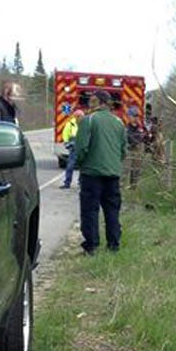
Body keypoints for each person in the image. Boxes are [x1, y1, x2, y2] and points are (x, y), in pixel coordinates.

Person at [74, 89, 127, 255]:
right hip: (113, 174)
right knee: (112, 210)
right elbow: (123, 150)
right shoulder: (119, 123)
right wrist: (113, 164)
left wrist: (81, 164)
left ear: (100, 103)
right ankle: (114, 245)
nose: (90, 103)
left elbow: (81, 148)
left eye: (92, 100)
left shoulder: (88, 120)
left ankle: (92, 246)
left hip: (92, 173)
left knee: (90, 210)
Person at [59, 109, 85, 189]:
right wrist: (66, 143)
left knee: (83, 166)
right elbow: (65, 133)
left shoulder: (85, 124)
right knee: (70, 166)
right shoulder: (70, 123)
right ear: (76, 116)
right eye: (79, 116)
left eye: (81, 116)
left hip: (82, 147)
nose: (80, 118)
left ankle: (81, 183)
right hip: (73, 146)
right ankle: (67, 183)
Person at [125, 105, 145, 189]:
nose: (130, 118)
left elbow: (141, 138)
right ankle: (121, 187)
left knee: (136, 169)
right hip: (129, 150)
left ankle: (133, 187)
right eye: (129, 116)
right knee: (125, 169)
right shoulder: (127, 128)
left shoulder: (139, 128)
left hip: (137, 150)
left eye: (131, 116)